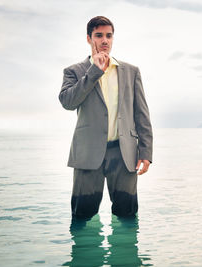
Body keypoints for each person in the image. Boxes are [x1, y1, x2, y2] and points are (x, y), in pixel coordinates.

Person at [59, 16, 153, 219]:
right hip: (87, 154)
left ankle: (125, 251)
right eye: (99, 35)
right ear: (88, 38)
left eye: (109, 36)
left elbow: (141, 114)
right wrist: (94, 72)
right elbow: (67, 102)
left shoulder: (130, 71)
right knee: (82, 215)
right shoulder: (74, 71)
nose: (104, 41)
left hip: (123, 153)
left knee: (127, 215)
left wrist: (146, 152)